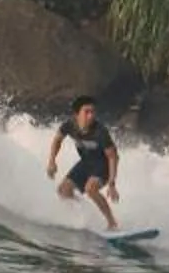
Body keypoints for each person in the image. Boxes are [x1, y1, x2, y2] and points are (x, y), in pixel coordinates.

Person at [46, 97, 122, 231]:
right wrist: (52, 161)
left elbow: (113, 156)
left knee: (90, 188)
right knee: (63, 191)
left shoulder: (100, 131)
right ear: (77, 114)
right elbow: (57, 140)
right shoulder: (69, 125)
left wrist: (111, 183)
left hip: (103, 164)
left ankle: (112, 223)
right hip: (86, 163)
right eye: (86, 112)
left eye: (93, 112)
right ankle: (86, 214)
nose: (91, 115)